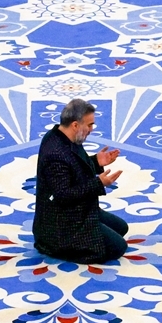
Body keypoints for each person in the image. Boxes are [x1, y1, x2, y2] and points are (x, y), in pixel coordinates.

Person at [32, 98, 129, 264]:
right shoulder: (55, 154)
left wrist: (96, 162)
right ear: (75, 125)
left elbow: (73, 169)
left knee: (121, 228)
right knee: (118, 247)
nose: (92, 129)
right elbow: (63, 195)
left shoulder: (64, 136)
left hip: (76, 210)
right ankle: (56, 247)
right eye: (89, 125)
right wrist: (99, 184)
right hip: (62, 223)